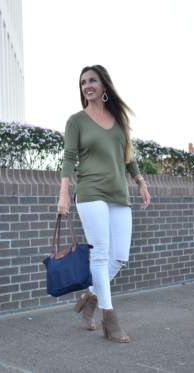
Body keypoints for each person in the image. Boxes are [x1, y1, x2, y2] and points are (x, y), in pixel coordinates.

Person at [57, 65, 150, 343]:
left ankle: (89, 296)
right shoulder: (77, 120)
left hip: (118, 193)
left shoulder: (118, 120)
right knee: (100, 255)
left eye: (92, 80)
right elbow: (69, 158)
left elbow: (128, 155)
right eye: (83, 82)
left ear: (104, 86)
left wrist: (141, 183)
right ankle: (110, 319)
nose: (87, 85)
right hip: (91, 192)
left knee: (119, 257)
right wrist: (64, 194)